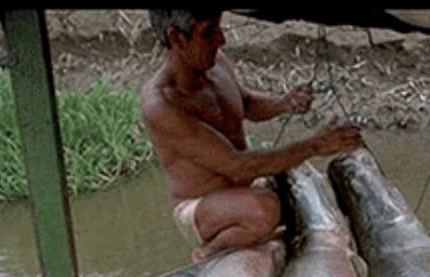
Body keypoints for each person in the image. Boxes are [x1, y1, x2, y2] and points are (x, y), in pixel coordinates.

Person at [142, 10, 363, 262]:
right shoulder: (162, 104)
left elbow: (245, 104)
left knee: (299, 185)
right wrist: (316, 145)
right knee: (264, 209)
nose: (221, 40)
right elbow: (236, 166)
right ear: (177, 38)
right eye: (209, 32)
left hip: (245, 188)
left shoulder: (217, 63)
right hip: (201, 207)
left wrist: (285, 102)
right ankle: (209, 251)